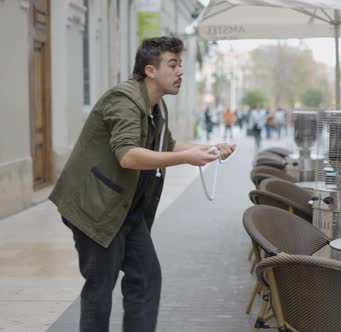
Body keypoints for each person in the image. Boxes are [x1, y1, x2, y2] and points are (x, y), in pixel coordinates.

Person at [48, 36, 236, 332]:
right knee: (100, 289)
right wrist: (187, 158)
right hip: (95, 208)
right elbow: (128, 155)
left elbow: (168, 144)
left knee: (146, 278)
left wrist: (208, 149)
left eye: (180, 65)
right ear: (150, 70)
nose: (180, 72)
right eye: (172, 65)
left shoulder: (156, 107)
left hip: (127, 212)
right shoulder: (123, 100)